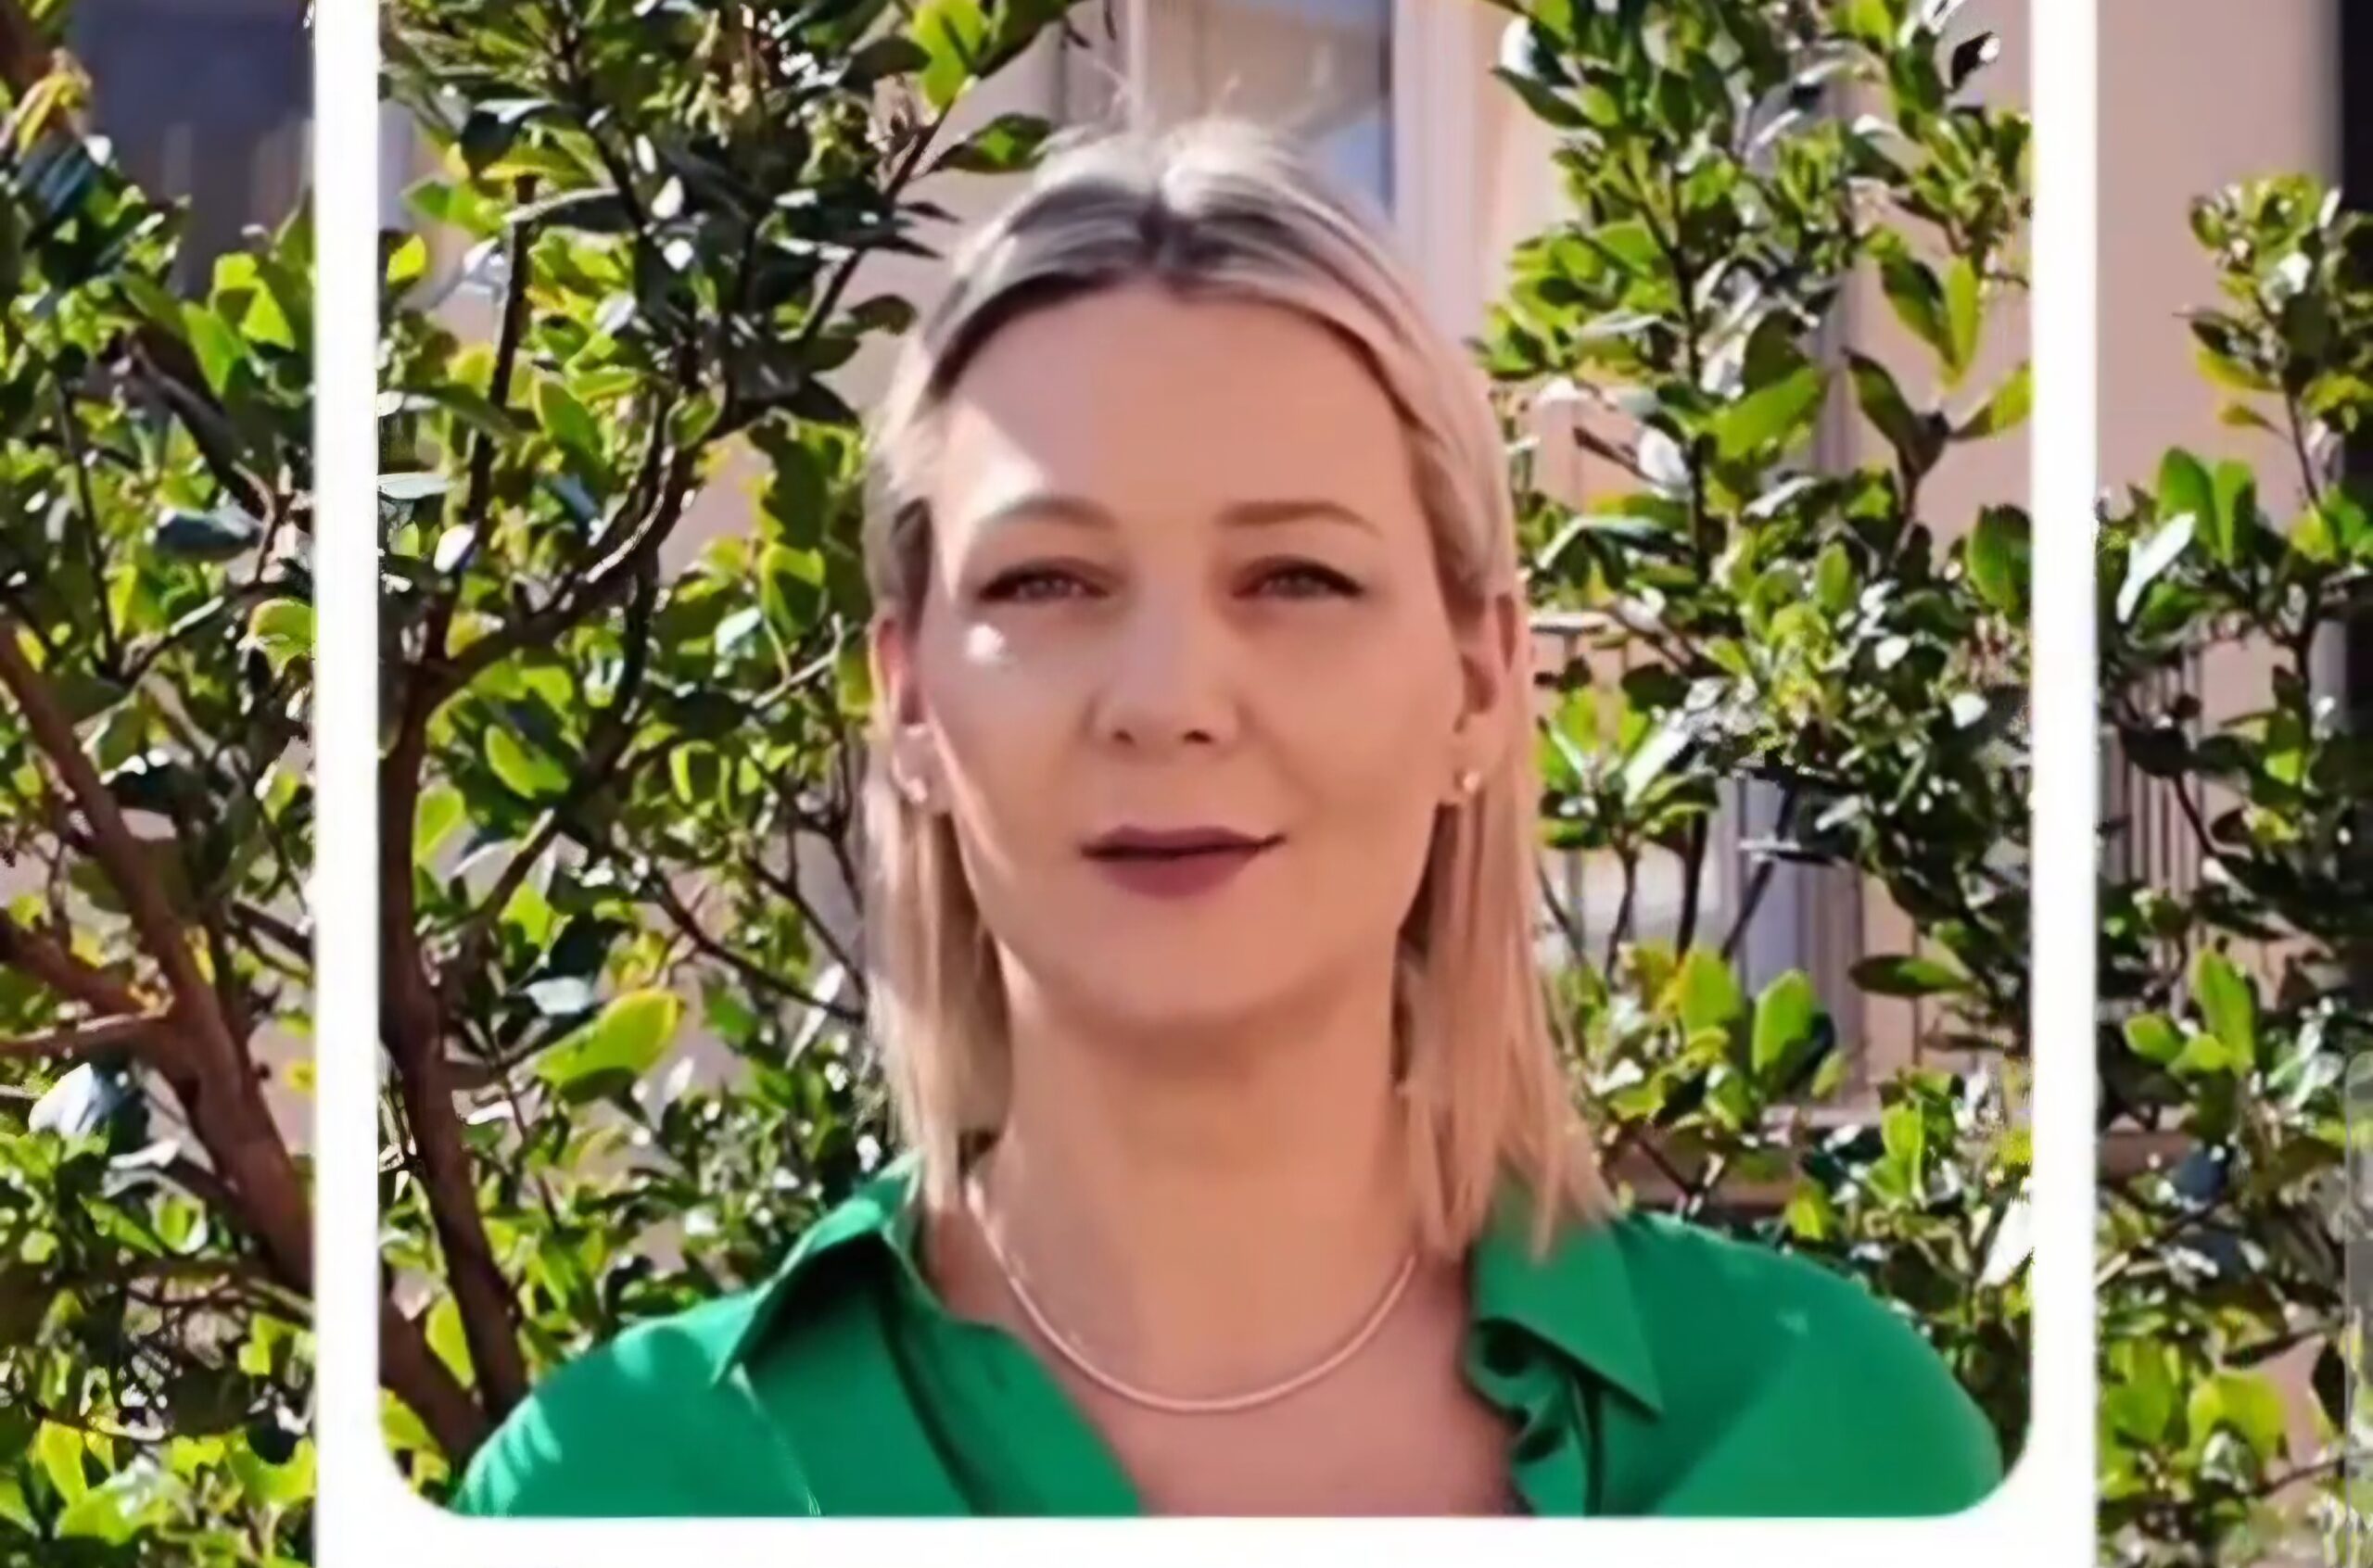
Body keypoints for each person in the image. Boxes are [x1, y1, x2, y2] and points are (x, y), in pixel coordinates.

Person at [448, 116, 2006, 1520]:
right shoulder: (608, 1497)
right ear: (910, 699)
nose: (1169, 699)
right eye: (1048, 582)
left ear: (1481, 681)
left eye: (1295, 578)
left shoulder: (1842, 1453)